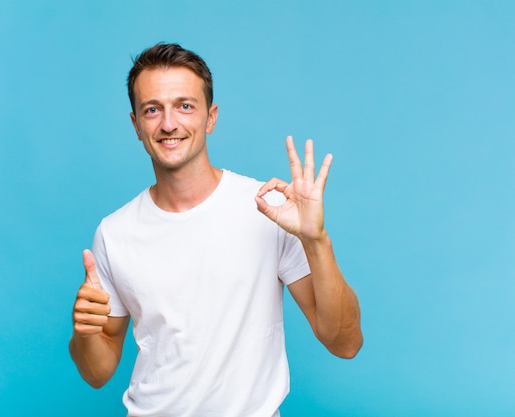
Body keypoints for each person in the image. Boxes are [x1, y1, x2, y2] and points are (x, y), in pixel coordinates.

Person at [69, 43, 363, 417]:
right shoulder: (114, 233)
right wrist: (84, 331)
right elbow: (98, 372)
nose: (169, 123)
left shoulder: (267, 210)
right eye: (152, 109)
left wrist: (316, 240)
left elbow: (345, 343)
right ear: (136, 125)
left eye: (185, 106)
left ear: (211, 117)